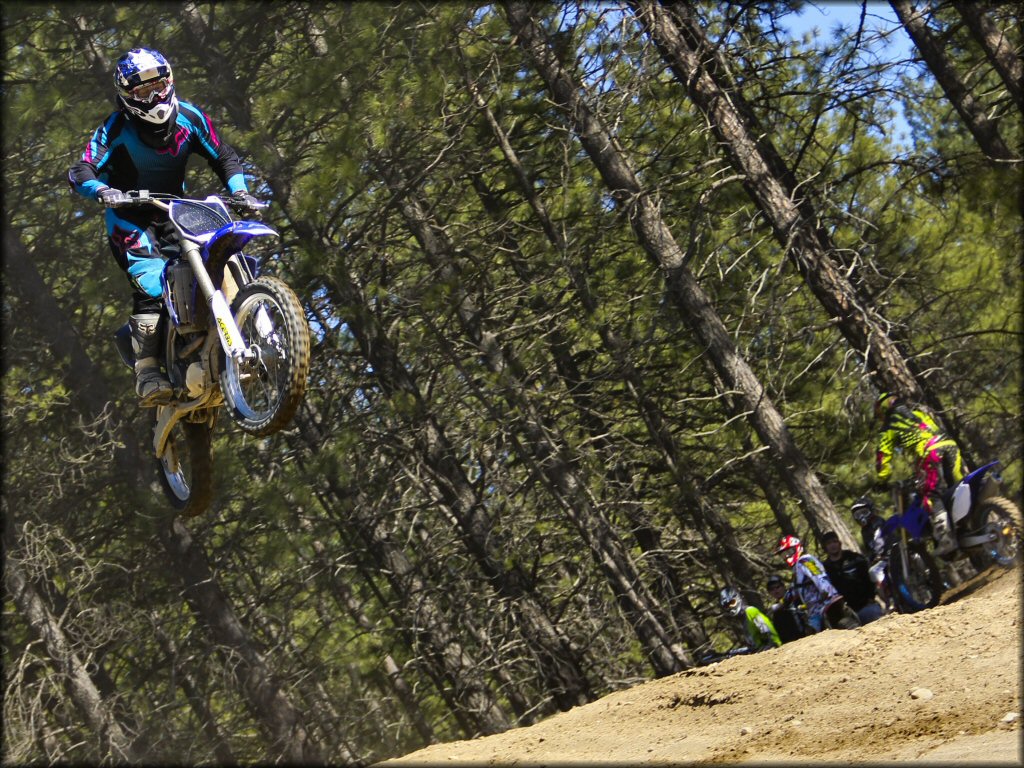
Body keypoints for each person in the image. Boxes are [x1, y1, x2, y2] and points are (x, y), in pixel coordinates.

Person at [68, 48, 258, 405]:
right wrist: (103, 191)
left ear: (170, 80)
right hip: (130, 219)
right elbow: (81, 170)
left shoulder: (191, 117)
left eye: (158, 85)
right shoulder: (115, 129)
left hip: (176, 210)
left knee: (223, 254)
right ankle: (148, 369)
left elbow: (224, 156)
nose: (154, 97)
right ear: (127, 96)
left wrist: (241, 191)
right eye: (142, 92)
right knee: (153, 285)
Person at [873, 392, 968, 555]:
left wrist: (882, 480)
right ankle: (968, 524)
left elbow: (883, 457)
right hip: (949, 445)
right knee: (958, 487)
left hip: (929, 453)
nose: (881, 417)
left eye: (879, 413)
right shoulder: (918, 413)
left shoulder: (888, 427)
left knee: (931, 494)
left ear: (883, 408)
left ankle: (946, 539)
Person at [776, 535, 860, 631]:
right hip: (814, 609)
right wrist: (783, 603)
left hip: (824, 604)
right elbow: (794, 589)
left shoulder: (805, 560)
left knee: (816, 632)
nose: (787, 556)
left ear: (797, 548)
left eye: (789, 552)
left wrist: (826, 591)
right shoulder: (796, 569)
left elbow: (818, 575)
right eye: (784, 554)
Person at [820, 531, 883, 624]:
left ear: (839, 543)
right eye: (829, 543)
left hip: (866, 607)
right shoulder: (824, 569)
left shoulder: (854, 558)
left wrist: (871, 596)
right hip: (846, 616)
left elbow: (870, 578)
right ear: (825, 548)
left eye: (834, 541)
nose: (832, 545)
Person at [851, 495, 892, 610]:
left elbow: (879, 538)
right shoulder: (864, 531)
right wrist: (870, 559)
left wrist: (879, 553)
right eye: (857, 515)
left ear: (871, 510)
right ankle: (889, 598)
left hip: (891, 552)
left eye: (864, 512)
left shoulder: (877, 522)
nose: (861, 517)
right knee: (873, 572)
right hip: (883, 558)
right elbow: (870, 549)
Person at [718, 587, 781, 651]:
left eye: (732, 602)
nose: (730, 607)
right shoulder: (741, 619)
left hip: (773, 649)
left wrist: (771, 645)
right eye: (727, 606)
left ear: (738, 599)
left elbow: (768, 631)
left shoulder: (750, 611)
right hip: (760, 650)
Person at [765, 574, 813, 643]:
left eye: (777, 587)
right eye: (772, 589)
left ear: (783, 586)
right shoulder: (776, 610)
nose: (775, 591)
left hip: (809, 635)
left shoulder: (796, 598)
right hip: (793, 643)